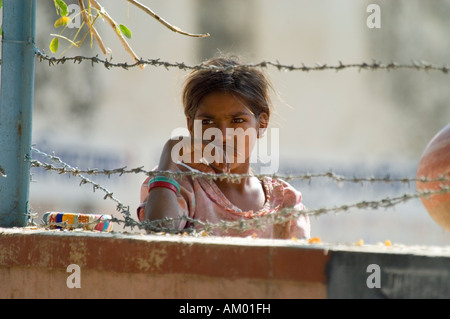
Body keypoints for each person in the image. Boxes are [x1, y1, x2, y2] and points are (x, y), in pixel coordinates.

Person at [137, 55, 310, 239]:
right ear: (190, 126)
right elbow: (159, 229)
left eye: (237, 121)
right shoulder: (181, 184)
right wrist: (171, 150)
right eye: (207, 121)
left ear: (262, 124)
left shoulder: (284, 200)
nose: (223, 134)